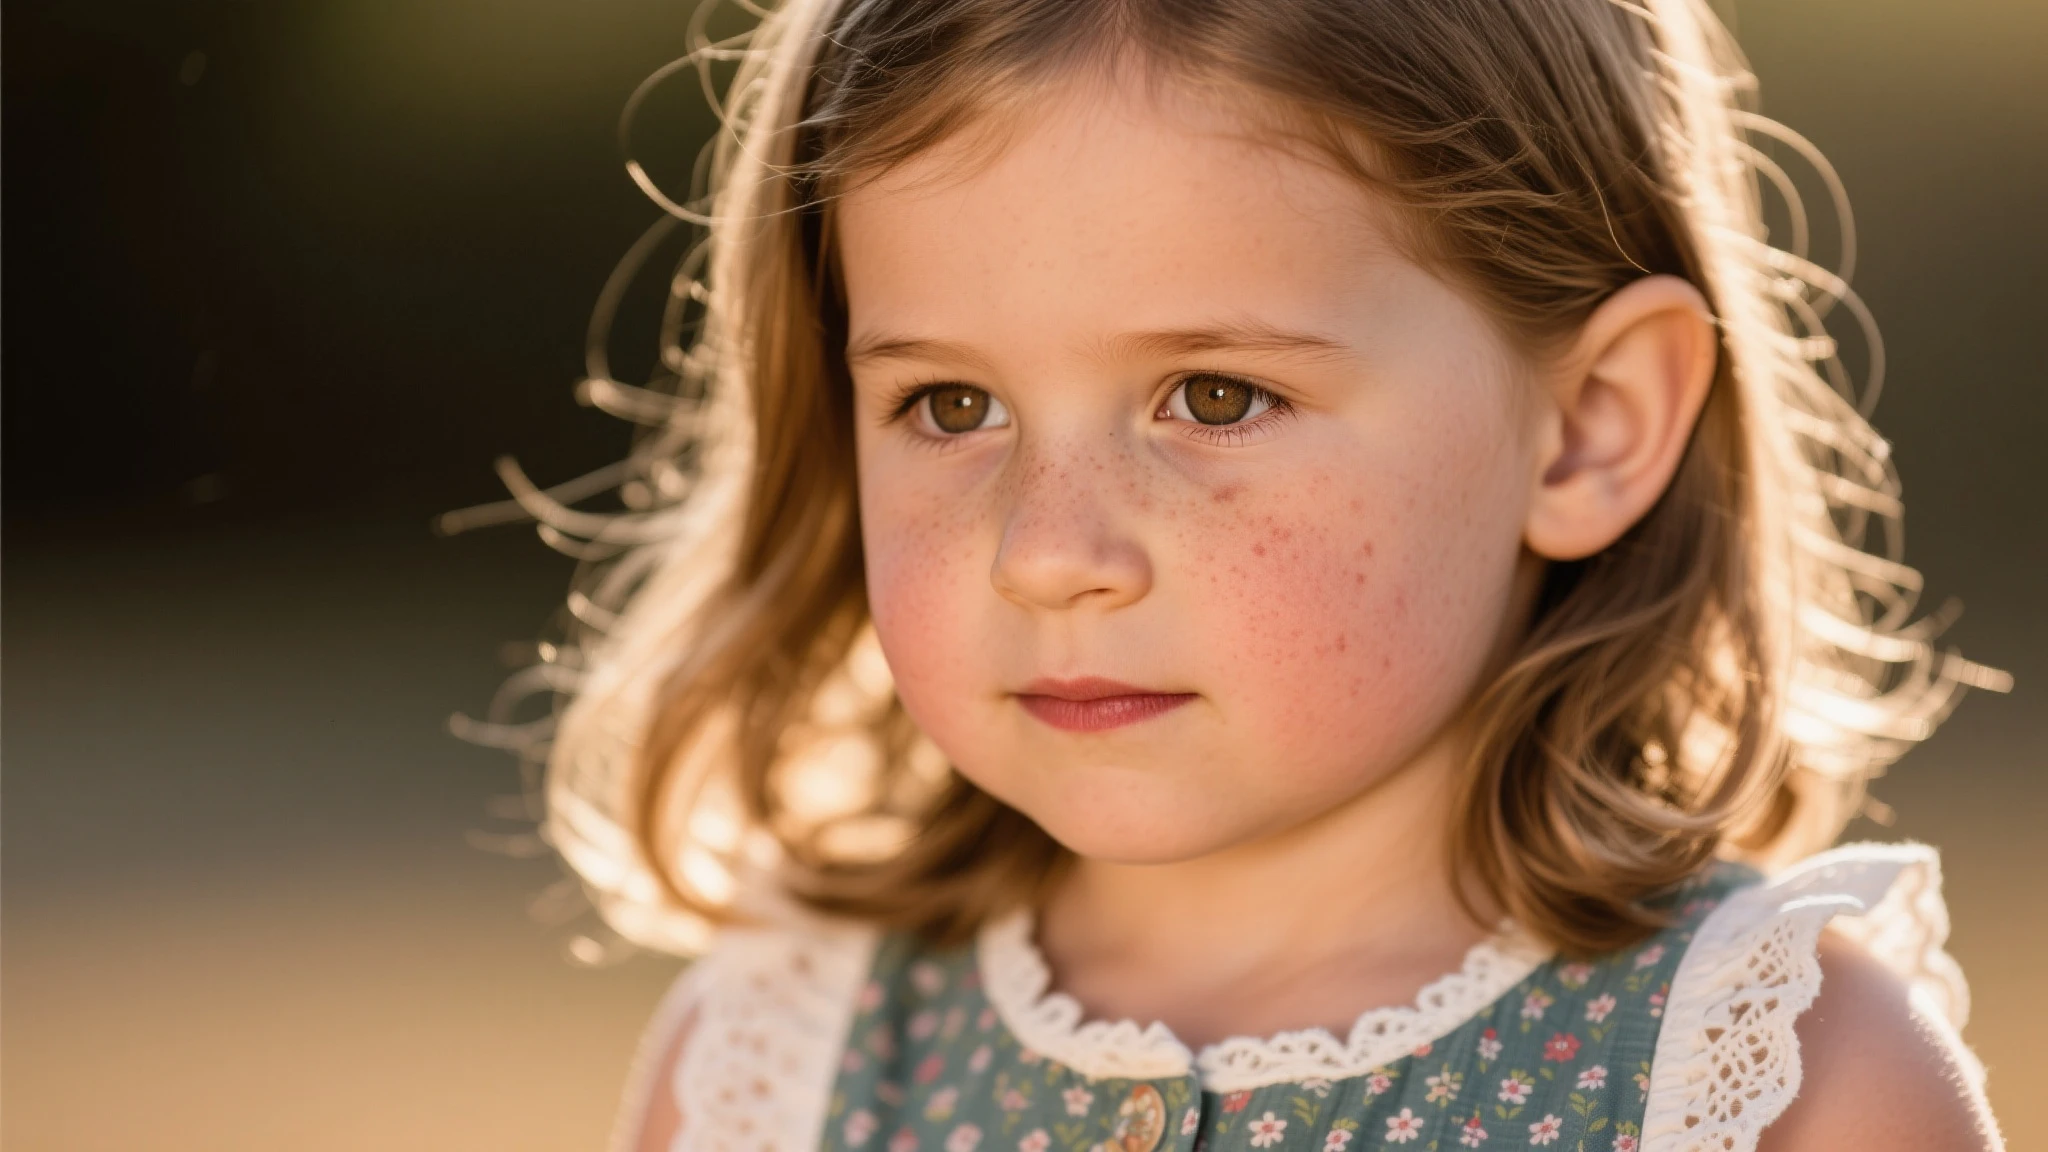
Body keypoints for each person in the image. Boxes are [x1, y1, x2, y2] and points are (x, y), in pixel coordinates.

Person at [461, 0, 2013, 1148]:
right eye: (950, 407)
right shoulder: (775, 1071)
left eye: (1214, 397)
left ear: (1588, 428)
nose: (1049, 551)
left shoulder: (1768, 1084)